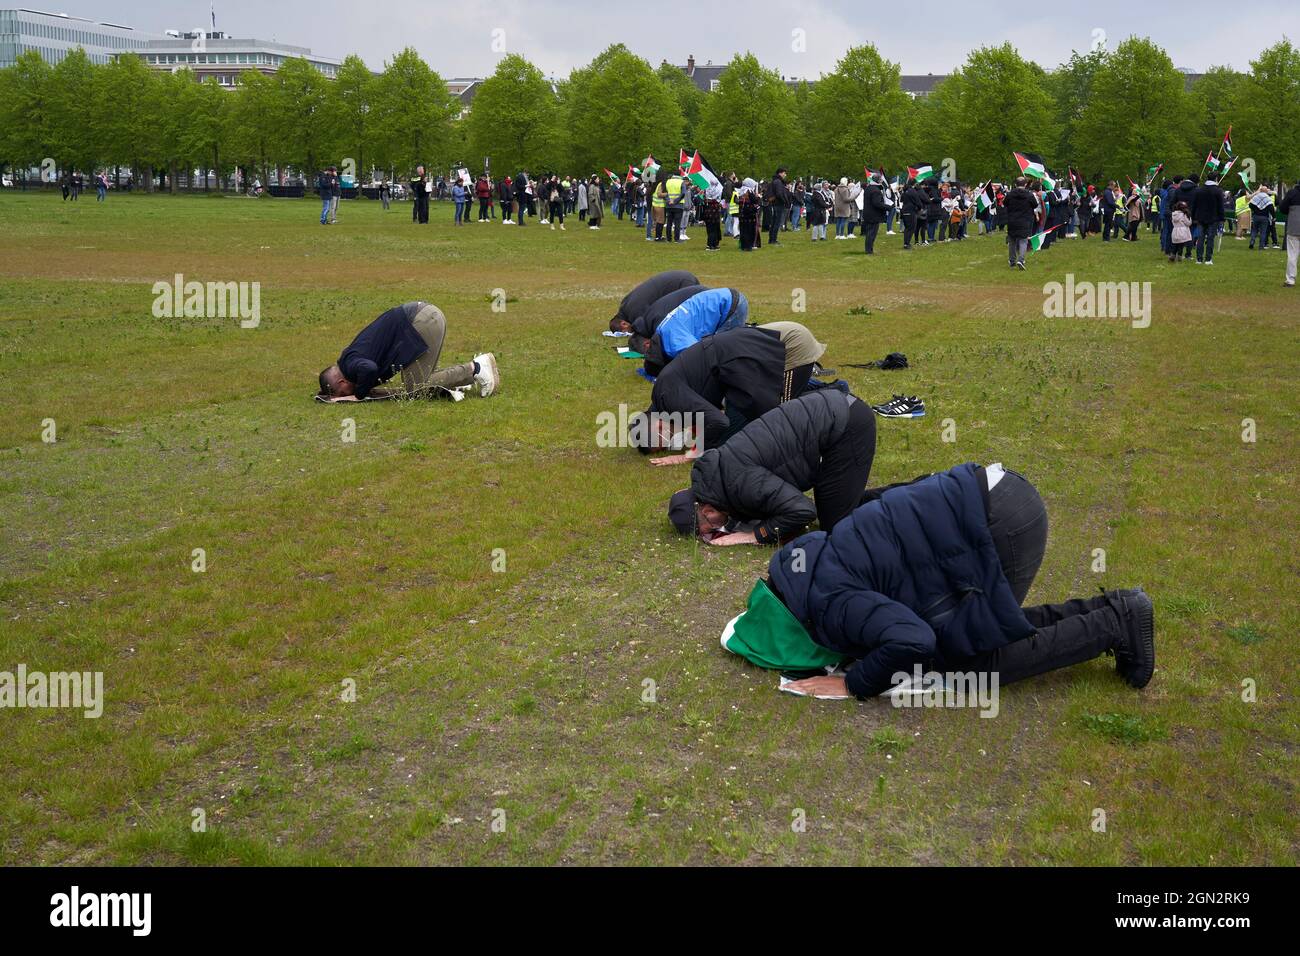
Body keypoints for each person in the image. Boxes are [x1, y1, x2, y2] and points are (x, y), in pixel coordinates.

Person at [723, 463, 1156, 701]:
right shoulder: (804, 560)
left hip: (1000, 523)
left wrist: (853, 683)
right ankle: (1118, 610)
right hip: (991, 491)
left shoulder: (829, 607)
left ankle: (1116, 625)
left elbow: (914, 641)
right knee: (979, 624)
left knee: (975, 661)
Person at [664, 390, 876, 546]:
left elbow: (803, 510)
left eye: (711, 529)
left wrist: (753, 535)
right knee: (834, 506)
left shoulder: (741, 482)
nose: (719, 529)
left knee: (836, 529)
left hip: (847, 424)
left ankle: (904, 494)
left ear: (708, 510)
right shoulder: (716, 475)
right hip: (832, 408)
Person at [634, 326, 786, 454]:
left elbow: (719, 422)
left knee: (733, 441)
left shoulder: (668, 397)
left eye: (665, 441)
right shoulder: (663, 399)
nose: (671, 442)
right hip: (744, 356)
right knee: (736, 437)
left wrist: (694, 453)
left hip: (773, 350)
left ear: (658, 426)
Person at [317, 302, 500, 402]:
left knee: (415, 386)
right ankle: (459, 381)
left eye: (342, 393)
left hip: (421, 321)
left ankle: (476, 368)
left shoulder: (350, 365)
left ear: (341, 381)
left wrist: (357, 395)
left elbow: (370, 369)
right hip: (423, 317)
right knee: (419, 382)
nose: (345, 395)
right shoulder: (348, 359)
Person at [634, 288, 750, 373]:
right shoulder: (661, 332)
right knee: (721, 348)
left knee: (724, 353)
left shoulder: (676, 345)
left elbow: (703, 357)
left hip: (729, 305)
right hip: (722, 298)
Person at [608, 270, 700, 334]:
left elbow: (650, 325)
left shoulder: (634, 313)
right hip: (681, 277)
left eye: (627, 332)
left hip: (681, 282)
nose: (630, 333)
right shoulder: (625, 305)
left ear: (623, 324)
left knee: (689, 312)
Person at [1002, 177, 1037, 270]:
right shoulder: (1029, 195)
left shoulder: (1010, 194)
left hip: (1012, 220)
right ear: (1025, 184)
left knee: (1012, 241)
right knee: (1023, 241)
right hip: (1024, 221)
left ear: (1015, 184)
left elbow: (1004, 203)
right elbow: (1035, 204)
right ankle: (1021, 260)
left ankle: (1012, 261)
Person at [1192, 177, 1225, 265]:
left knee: (1200, 238)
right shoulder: (1218, 191)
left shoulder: (1199, 190)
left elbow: (1194, 204)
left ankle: (1199, 259)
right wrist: (1222, 218)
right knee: (1210, 239)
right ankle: (1208, 259)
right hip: (1213, 218)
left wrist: (1193, 216)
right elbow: (1221, 206)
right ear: (1216, 179)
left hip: (1200, 217)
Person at [1278, 182, 1300, 288]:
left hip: (1294, 227)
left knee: (1292, 255)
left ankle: (1290, 280)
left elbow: (1282, 208)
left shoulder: (1292, 193)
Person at [860, 175, 887, 254]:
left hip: (867, 213)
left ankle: (869, 249)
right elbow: (877, 203)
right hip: (873, 214)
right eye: (881, 180)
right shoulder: (876, 190)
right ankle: (869, 250)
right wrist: (887, 207)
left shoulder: (868, 188)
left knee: (869, 233)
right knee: (872, 233)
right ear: (878, 181)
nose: (882, 181)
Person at [766, 168, 791, 245]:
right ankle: (773, 240)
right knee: (776, 223)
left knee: (774, 222)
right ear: (780, 173)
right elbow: (779, 194)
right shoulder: (778, 182)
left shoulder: (775, 181)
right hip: (778, 204)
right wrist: (785, 201)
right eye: (784, 173)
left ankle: (771, 239)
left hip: (775, 203)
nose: (785, 175)